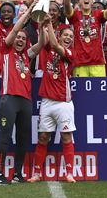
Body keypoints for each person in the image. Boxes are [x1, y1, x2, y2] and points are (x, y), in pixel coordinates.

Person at [0, 8, 44, 185]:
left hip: (25, 101)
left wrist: (44, 26)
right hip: (9, 99)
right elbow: (15, 30)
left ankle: (17, 174)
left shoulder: (27, 56)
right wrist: (29, 12)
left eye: (24, 38)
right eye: (18, 38)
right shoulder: (6, 50)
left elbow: (40, 45)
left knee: (23, 139)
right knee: (5, 137)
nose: (20, 40)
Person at [29, 20, 76, 183]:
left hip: (64, 102)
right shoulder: (50, 48)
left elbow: (55, 46)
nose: (68, 38)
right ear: (60, 36)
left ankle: (69, 173)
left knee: (66, 136)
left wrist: (49, 25)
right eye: (66, 35)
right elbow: (45, 42)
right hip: (47, 102)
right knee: (43, 137)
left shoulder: (71, 54)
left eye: (71, 36)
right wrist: (43, 26)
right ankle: (36, 173)